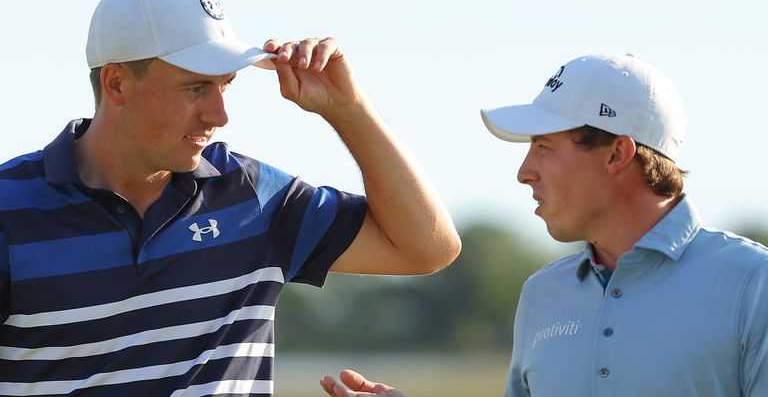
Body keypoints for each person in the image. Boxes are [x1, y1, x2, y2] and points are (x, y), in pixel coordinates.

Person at [0, 0, 461, 396]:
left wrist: (350, 110)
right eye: (195, 88)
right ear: (117, 84)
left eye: (225, 86)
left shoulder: (253, 196)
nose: (219, 115)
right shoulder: (8, 208)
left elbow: (427, 248)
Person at [321, 53, 768, 396]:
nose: (524, 171)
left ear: (617, 153)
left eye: (544, 147)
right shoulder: (542, 294)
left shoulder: (753, 283)